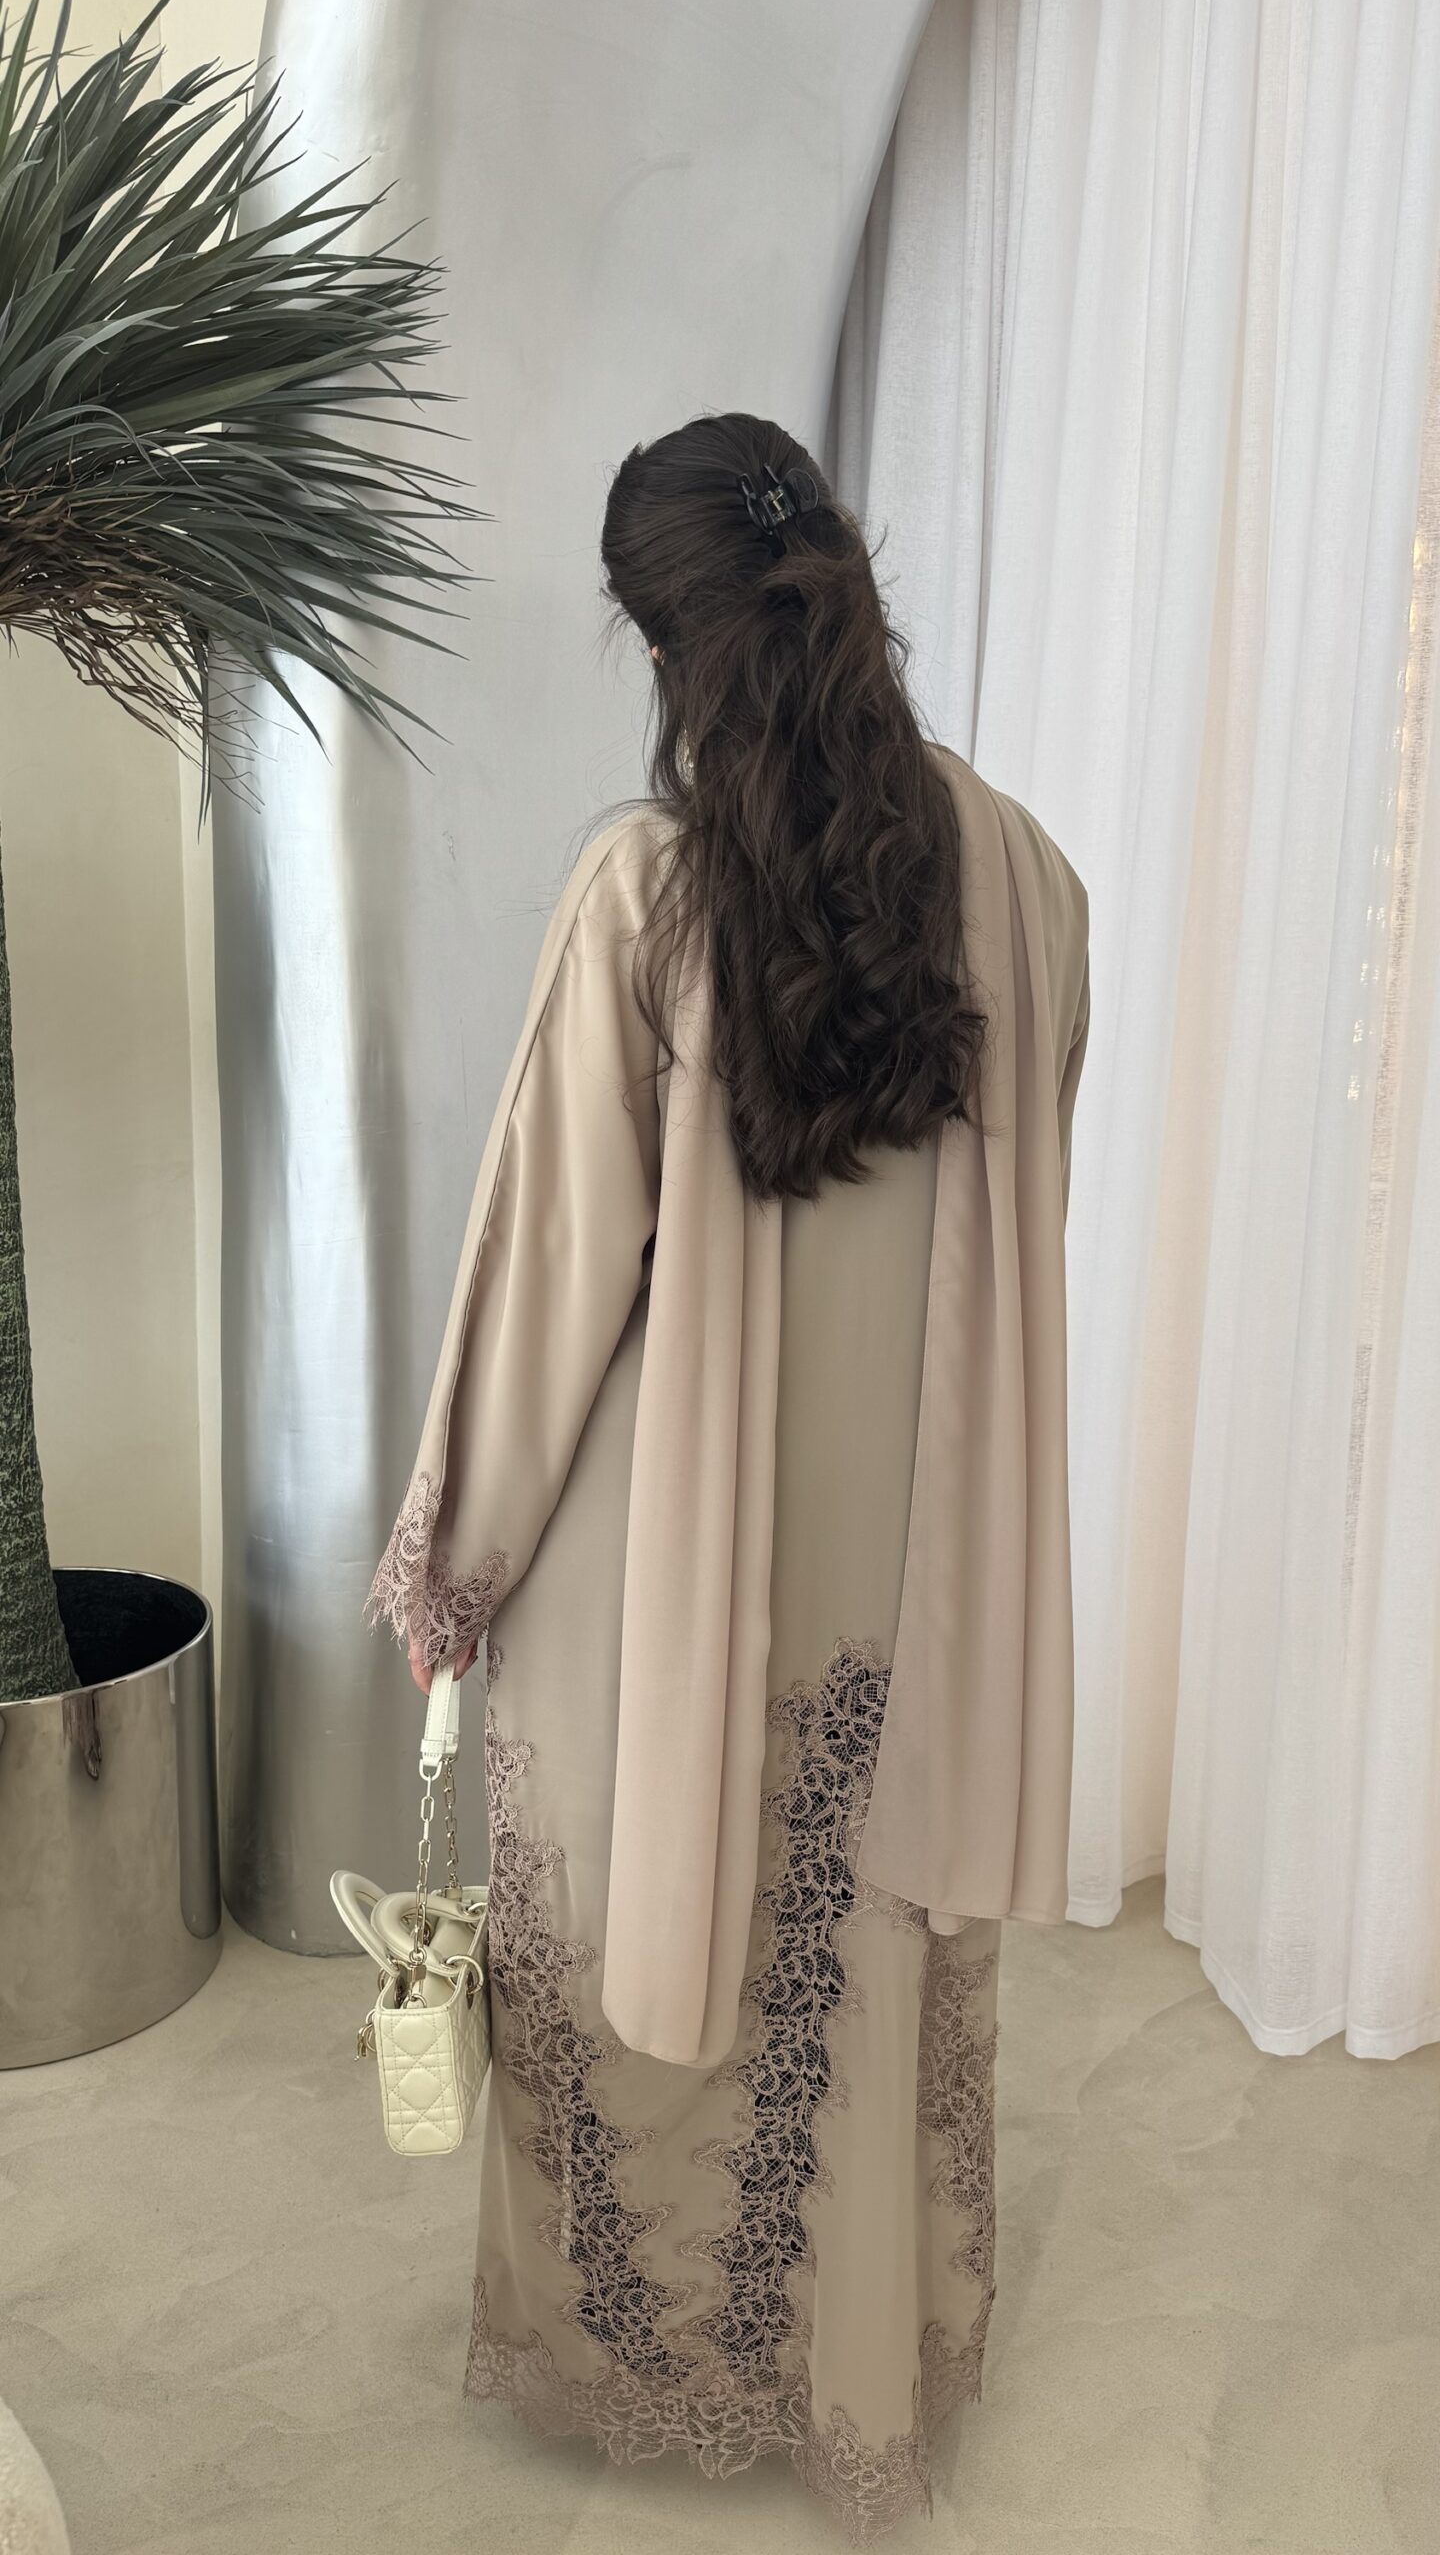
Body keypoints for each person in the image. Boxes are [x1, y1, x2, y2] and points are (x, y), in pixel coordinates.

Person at [364, 411, 1091, 2542]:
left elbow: (550, 1271)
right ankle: (859, 2359)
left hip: (661, 1559)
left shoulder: (646, 892)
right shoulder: (1023, 874)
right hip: (915, 1556)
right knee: (862, 1941)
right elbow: (1021, 1180)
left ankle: (656, 2354)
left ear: (667, 639)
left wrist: (458, 1553)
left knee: (644, 1910)